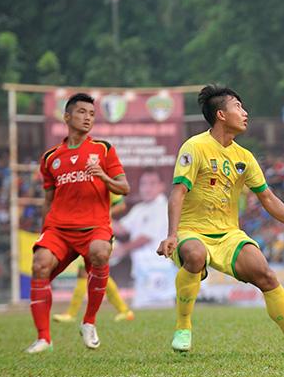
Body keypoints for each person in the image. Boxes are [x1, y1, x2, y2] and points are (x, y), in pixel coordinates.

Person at [156, 85, 284, 357]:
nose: (245, 113)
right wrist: (172, 234)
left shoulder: (244, 157)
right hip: (191, 231)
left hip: (228, 235)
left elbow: (268, 198)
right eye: (238, 107)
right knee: (196, 255)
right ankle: (183, 326)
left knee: (266, 274)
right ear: (221, 114)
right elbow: (178, 192)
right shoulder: (195, 147)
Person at [27, 93, 130, 353]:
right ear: (67, 116)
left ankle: (89, 322)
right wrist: (44, 234)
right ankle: (43, 338)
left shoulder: (103, 149)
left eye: (92, 114)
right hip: (59, 229)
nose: (87, 118)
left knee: (100, 252)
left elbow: (124, 188)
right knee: (40, 265)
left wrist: (104, 177)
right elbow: (48, 200)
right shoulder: (51, 157)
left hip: (94, 226)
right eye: (82, 112)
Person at [52, 192, 134, 324]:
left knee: (85, 272)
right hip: (85, 233)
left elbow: (121, 205)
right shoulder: (82, 182)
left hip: (101, 234)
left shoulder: (104, 180)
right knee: (97, 274)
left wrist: (104, 214)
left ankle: (71, 314)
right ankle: (124, 311)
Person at [113, 168, 174, 308]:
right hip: (141, 270)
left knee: (159, 313)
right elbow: (121, 229)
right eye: (144, 184)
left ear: (162, 186)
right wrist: (97, 217)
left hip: (159, 270)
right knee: (141, 312)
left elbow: (145, 238)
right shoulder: (139, 209)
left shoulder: (163, 207)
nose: (147, 188)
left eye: (152, 184)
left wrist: (123, 249)